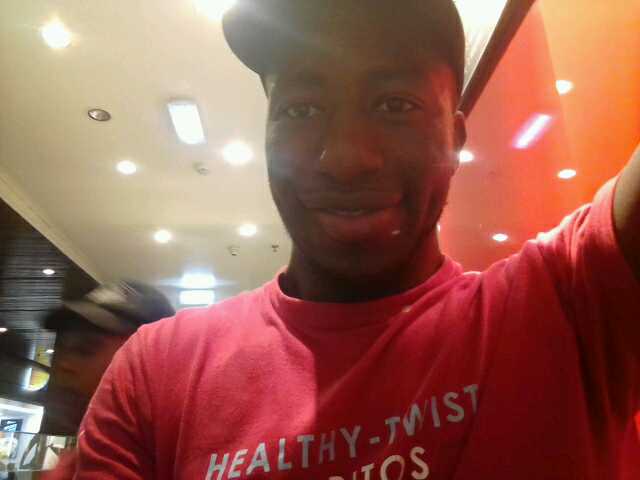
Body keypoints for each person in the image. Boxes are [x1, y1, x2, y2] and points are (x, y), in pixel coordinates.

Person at [72, 1, 639, 478]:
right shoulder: (156, 373)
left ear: (455, 138)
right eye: (301, 109)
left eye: (395, 105)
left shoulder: (569, 303)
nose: (344, 159)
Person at [40, 281, 174, 479]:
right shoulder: (67, 469)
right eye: (61, 349)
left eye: (85, 349)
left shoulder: (187, 467)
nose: (64, 365)